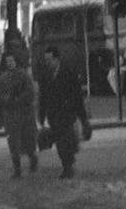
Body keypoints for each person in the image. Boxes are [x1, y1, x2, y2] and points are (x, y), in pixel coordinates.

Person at [38, 45, 90, 180]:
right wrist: (41, 115)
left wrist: (83, 117)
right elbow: (43, 97)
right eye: (46, 60)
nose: (47, 63)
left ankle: (68, 167)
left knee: (64, 142)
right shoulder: (45, 76)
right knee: (59, 143)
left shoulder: (68, 73)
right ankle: (67, 164)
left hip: (67, 114)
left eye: (50, 60)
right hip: (53, 115)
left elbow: (77, 96)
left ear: (57, 59)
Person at [0, 51, 38, 178]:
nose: (9, 64)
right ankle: (17, 169)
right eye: (7, 61)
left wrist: (16, 100)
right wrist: (5, 100)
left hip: (23, 114)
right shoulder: (3, 78)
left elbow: (29, 93)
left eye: (11, 61)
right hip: (10, 115)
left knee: (27, 141)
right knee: (13, 143)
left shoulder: (23, 76)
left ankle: (32, 158)